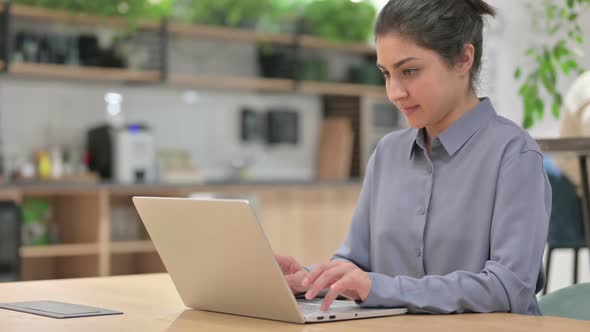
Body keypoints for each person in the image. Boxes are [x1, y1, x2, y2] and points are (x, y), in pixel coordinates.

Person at [276, 0, 551, 315]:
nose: (394, 92)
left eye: (409, 71)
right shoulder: (387, 153)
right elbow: (357, 263)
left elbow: (507, 288)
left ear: (463, 58)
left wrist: (377, 287)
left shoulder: (514, 154)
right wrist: (311, 280)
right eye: (386, 73)